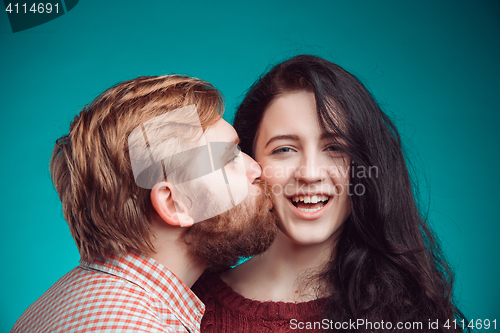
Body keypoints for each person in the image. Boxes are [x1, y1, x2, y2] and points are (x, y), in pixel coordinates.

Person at [193, 55, 467, 332]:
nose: (310, 174)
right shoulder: (187, 306)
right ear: (251, 164)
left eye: (335, 148)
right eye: (284, 149)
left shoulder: (413, 314)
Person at [11, 75, 278, 333]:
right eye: (229, 159)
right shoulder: (142, 326)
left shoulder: (52, 306)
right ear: (175, 203)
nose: (255, 168)